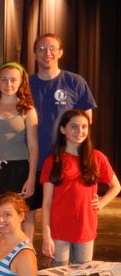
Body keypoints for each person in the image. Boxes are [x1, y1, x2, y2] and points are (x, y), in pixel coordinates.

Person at [29, 33, 97, 231]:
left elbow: (86, 121)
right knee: (27, 214)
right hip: (32, 160)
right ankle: (29, 258)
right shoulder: (26, 84)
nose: (46, 53)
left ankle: (55, 260)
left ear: (60, 52)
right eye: (41, 49)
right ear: (34, 54)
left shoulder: (75, 82)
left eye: (51, 48)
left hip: (64, 161)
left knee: (58, 214)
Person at [40, 110, 120, 266]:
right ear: (63, 129)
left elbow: (116, 187)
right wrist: (46, 235)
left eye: (84, 127)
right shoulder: (53, 161)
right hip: (59, 230)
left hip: (85, 228)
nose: (80, 131)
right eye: (74, 127)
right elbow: (47, 202)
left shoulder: (97, 157)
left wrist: (101, 203)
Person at [0, 62, 38, 239]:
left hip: (18, 170)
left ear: (20, 83)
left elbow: (34, 146)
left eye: (13, 80)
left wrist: (31, 177)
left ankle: (23, 259)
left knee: (20, 220)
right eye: (4, 79)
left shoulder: (28, 110)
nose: (8, 84)